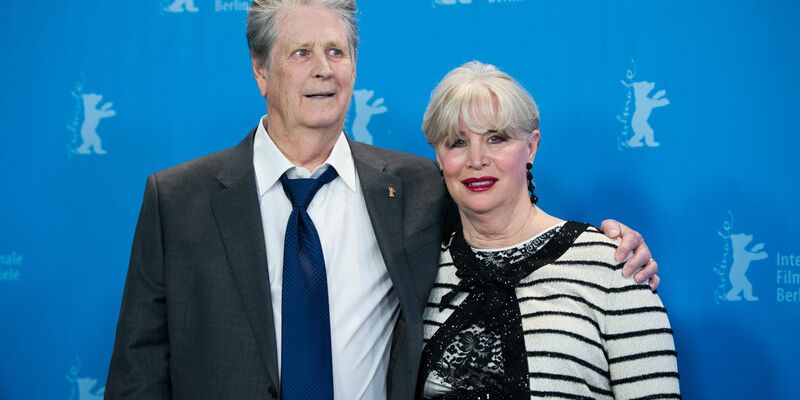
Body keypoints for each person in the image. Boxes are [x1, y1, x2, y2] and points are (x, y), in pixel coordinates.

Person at [105, 1, 659, 399]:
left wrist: (612, 245)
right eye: (301, 52)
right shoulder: (178, 201)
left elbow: (506, 228)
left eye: (336, 51)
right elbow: (138, 374)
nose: (323, 68)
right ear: (261, 72)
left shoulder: (418, 188)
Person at [418, 61, 680, 399]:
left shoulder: (614, 265)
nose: (477, 158)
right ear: (439, 157)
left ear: (531, 147)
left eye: (496, 138)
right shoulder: (422, 270)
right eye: (457, 142)